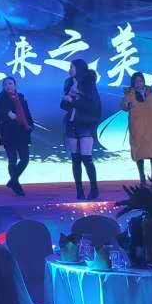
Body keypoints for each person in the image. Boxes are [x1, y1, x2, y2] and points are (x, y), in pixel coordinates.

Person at [60, 58, 103, 200]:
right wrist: (67, 100)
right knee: (75, 158)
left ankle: (94, 189)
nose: (69, 70)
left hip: (85, 124)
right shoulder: (68, 82)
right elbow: (63, 105)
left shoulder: (89, 83)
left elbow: (93, 105)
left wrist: (74, 101)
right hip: (71, 123)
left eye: (72, 67)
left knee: (86, 157)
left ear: (79, 68)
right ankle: (79, 190)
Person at [122, 72, 152, 185]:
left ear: (143, 82)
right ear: (133, 83)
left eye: (140, 81)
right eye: (136, 82)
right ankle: (142, 177)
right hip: (137, 127)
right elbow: (124, 106)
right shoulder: (129, 94)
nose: (138, 83)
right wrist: (127, 104)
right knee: (139, 152)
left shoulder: (150, 94)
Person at [0, 76, 34, 196]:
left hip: (22, 132)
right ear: (3, 87)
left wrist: (30, 125)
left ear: (15, 85)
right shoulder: (1, 98)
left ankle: (13, 180)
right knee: (12, 160)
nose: (8, 86)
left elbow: (26, 113)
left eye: (10, 84)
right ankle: (16, 185)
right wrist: (7, 113)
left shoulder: (20, 97)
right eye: (6, 84)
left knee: (25, 159)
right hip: (8, 133)